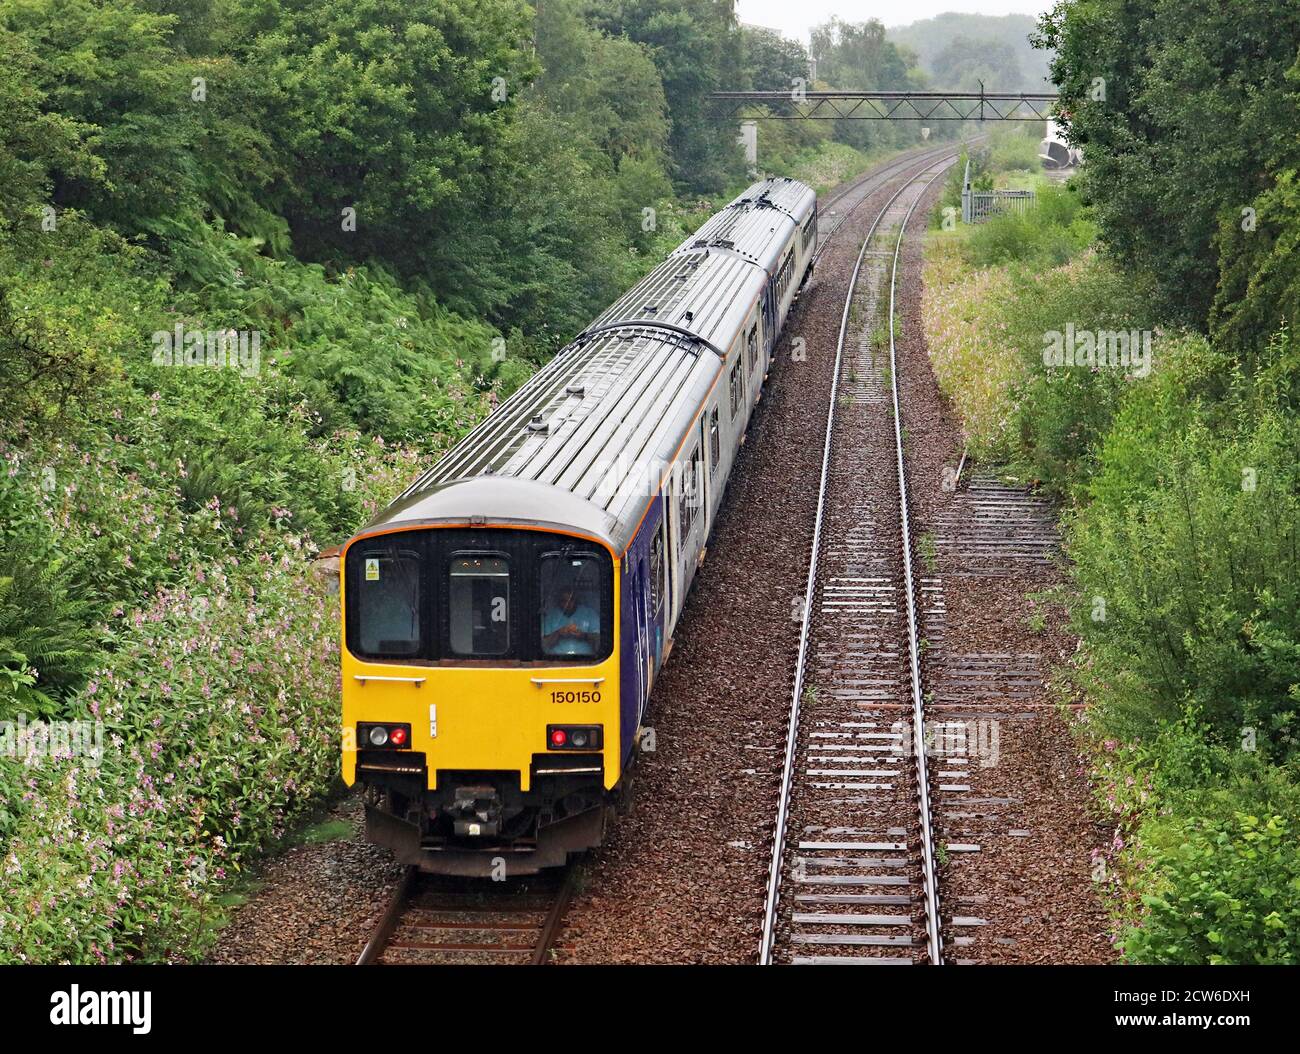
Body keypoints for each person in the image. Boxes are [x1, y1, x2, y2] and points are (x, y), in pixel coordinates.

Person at [541, 580, 600, 657]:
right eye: (564, 601)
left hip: (586, 660)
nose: (567, 604)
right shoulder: (551, 616)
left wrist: (584, 635)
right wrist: (558, 633)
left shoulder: (589, 613)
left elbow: (600, 641)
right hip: (556, 661)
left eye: (571, 600)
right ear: (559, 601)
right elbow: (543, 644)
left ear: (576, 600)